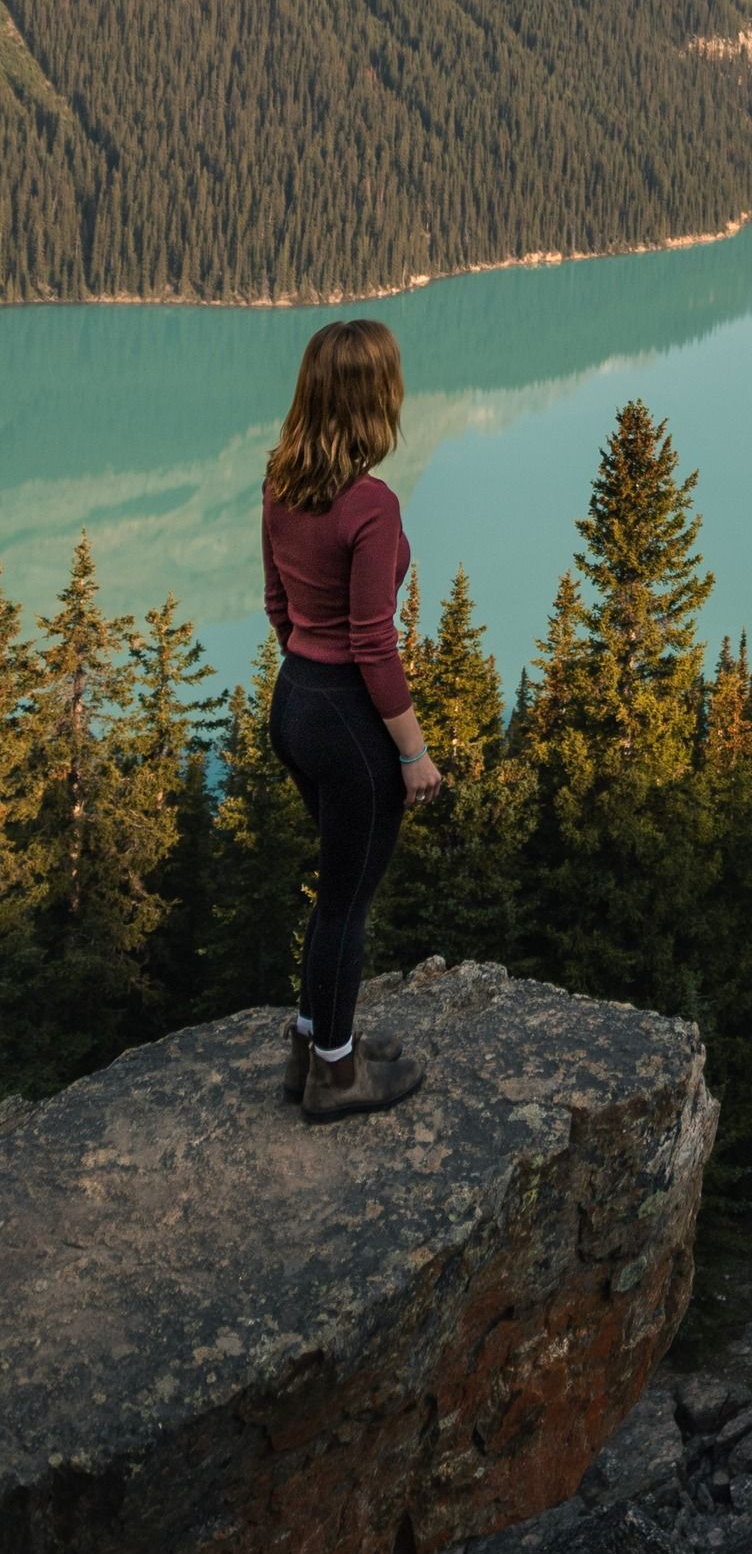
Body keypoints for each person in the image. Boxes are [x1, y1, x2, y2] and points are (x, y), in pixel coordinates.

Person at [263, 317, 442, 1121]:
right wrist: (413, 754)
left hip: (295, 701)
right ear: (377, 398)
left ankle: (314, 1043)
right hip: (347, 722)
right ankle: (338, 1077)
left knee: (333, 890)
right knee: (347, 901)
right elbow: (374, 642)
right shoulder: (371, 504)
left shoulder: (281, 480)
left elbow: (278, 604)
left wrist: (306, 675)